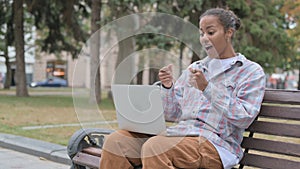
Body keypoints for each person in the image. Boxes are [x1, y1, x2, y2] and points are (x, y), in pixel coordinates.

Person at [100, 8, 265, 169]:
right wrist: (167, 87)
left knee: (156, 147)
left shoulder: (250, 71)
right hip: (179, 135)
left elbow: (244, 117)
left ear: (229, 33)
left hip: (216, 144)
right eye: (201, 33)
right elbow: (173, 113)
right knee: (116, 142)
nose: (204, 38)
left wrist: (207, 88)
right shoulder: (196, 68)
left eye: (211, 32)